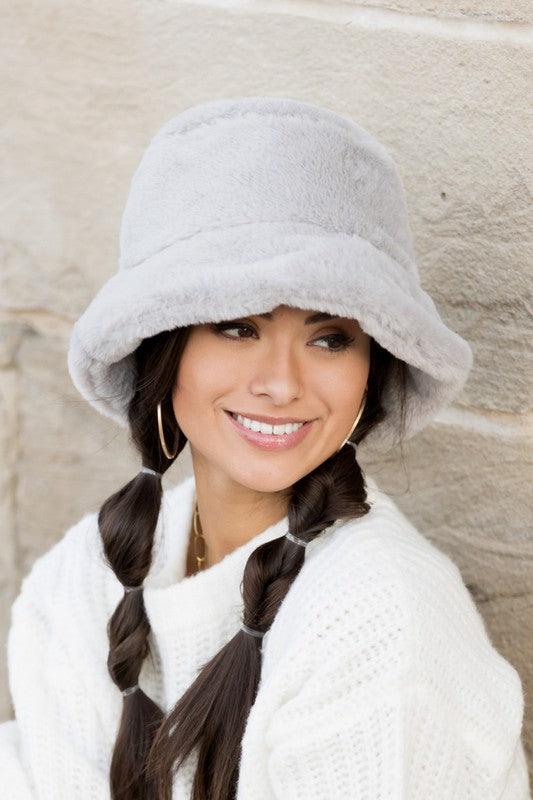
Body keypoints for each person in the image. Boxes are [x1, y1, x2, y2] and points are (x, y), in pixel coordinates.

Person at [1, 96, 530, 800]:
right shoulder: (84, 579)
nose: (281, 384)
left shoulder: (377, 616)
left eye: (329, 338)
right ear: (163, 347)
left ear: (370, 371)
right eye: (237, 327)